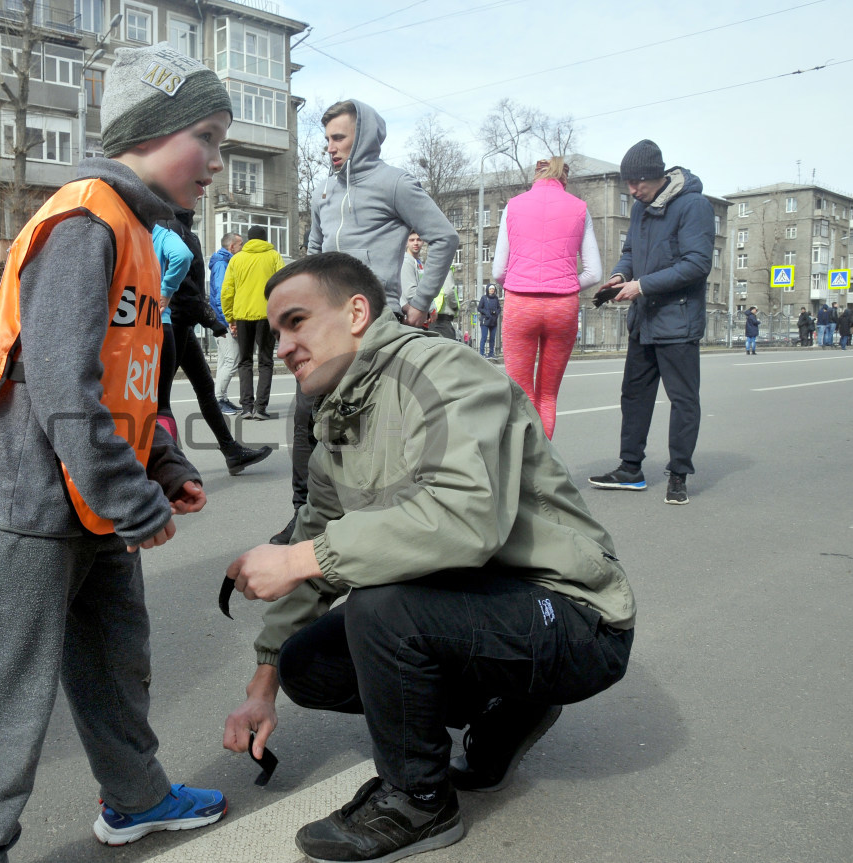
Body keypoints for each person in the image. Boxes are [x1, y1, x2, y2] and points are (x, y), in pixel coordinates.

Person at [222, 252, 635, 863]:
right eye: (276, 330)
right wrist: (263, 686)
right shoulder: (341, 421)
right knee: (307, 662)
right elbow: (316, 544)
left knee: (382, 608)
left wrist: (307, 556)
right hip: (475, 611)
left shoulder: (441, 371)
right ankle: (505, 708)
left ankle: (418, 800)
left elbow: (466, 518)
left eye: (297, 321)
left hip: (573, 617)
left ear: (357, 312)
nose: (282, 345)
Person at [0, 42, 232, 861]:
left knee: (112, 660)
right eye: (204, 134)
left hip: (92, 498)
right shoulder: (84, 219)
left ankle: (135, 798)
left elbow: (125, 376)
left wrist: (161, 463)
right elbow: (63, 386)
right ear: (149, 127)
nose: (215, 159)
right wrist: (131, 496)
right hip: (30, 501)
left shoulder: (139, 227)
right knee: (4, 690)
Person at [273, 99, 459, 543]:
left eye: (339, 137)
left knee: (362, 423)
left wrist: (418, 302)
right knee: (307, 414)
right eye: (327, 140)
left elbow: (444, 236)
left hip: (377, 318)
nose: (330, 148)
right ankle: (304, 516)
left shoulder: (394, 183)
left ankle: (372, 517)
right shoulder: (322, 191)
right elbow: (315, 251)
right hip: (327, 321)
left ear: (365, 135)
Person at [588, 140, 713, 506]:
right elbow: (631, 253)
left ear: (657, 176)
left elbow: (697, 264)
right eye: (627, 183)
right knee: (634, 396)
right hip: (644, 322)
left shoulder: (694, 206)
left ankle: (678, 474)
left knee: (683, 400)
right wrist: (619, 275)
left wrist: (642, 285)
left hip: (678, 321)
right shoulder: (642, 209)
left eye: (636, 182)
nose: (631, 190)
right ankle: (630, 469)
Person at [492, 157, 603, 438]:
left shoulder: (514, 206)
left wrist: (520, 284)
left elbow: (497, 271)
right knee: (548, 396)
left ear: (535, 176)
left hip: (520, 304)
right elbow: (594, 273)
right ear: (564, 180)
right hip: (563, 308)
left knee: (521, 396)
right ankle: (545, 469)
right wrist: (563, 284)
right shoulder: (580, 209)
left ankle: (522, 472)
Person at [160, 209, 272, 474]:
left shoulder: (184, 227)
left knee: (205, 388)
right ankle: (171, 467)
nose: (200, 192)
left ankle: (231, 452)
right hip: (171, 321)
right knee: (159, 401)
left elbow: (194, 285)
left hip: (183, 322)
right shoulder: (169, 226)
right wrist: (212, 320)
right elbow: (185, 284)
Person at [221, 225, 284, 420]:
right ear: (265, 239)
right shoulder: (273, 256)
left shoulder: (237, 258)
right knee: (265, 361)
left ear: (249, 239)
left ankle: (246, 408)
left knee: (245, 361)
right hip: (266, 316)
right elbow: (283, 286)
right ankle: (261, 408)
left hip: (242, 316)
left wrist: (230, 317)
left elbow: (227, 290)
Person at [151, 222, 193, 440]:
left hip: (127, 330)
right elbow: (182, 255)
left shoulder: (125, 231)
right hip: (161, 323)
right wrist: (166, 290)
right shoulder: (161, 233)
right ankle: (171, 465)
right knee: (162, 404)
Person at [209, 232, 243, 414]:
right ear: (232, 247)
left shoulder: (222, 262)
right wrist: (229, 320)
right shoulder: (223, 264)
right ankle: (217, 400)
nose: (242, 248)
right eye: (240, 245)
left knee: (224, 360)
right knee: (232, 359)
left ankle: (221, 398)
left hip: (219, 318)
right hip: (222, 319)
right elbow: (223, 294)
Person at [399, 232, 425, 313]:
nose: (416, 243)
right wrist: (431, 309)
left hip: (419, 309)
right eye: (412, 240)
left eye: (419, 240)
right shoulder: (406, 261)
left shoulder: (419, 262)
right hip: (411, 310)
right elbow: (410, 292)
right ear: (406, 242)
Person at [477, 285, 500, 357]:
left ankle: (491, 353)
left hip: (493, 321)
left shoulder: (496, 298)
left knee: (492, 338)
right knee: (484, 337)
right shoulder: (484, 298)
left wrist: (496, 312)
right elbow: (479, 308)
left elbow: (499, 308)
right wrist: (486, 313)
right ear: (487, 290)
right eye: (490, 289)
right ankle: (482, 353)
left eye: (493, 289)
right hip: (485, 321)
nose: (492, 290)